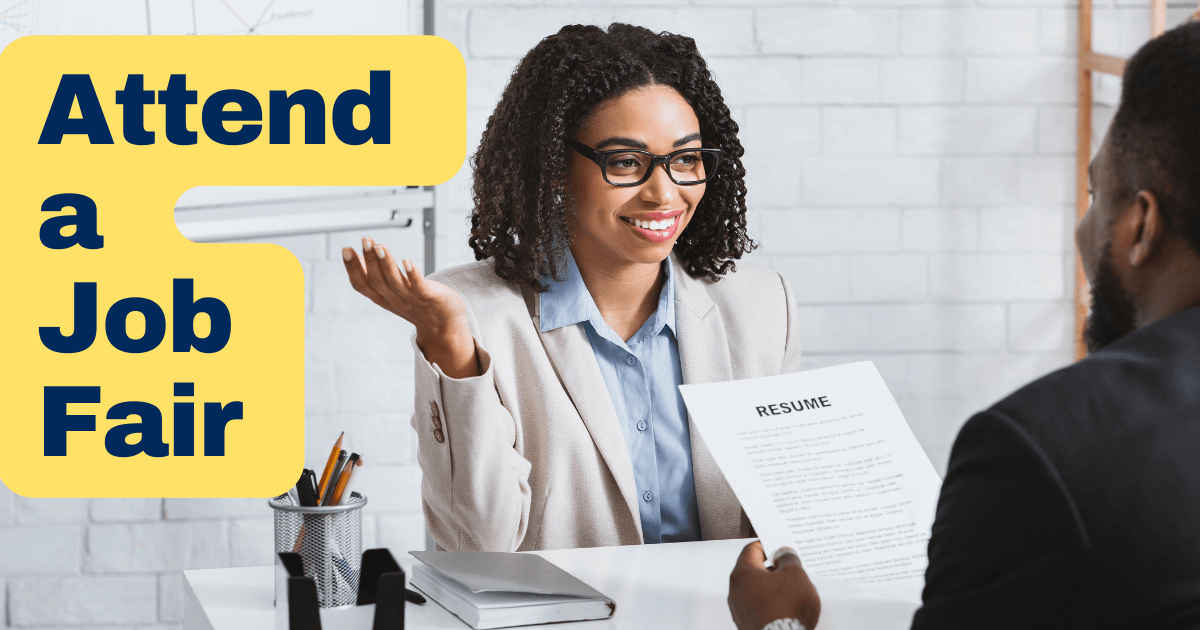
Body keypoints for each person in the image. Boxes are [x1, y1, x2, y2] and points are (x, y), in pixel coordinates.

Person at [727, 20, 1200, 630]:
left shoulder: (1036, 453)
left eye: (1094, 197)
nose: (1083, 230)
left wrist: (780, 623)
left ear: (1140, 226)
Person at [342, 23, 802, 551]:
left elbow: (785, 523)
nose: (664, 192)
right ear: (555, 168)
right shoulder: (474, 315)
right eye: (626, 162)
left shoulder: (763, 306)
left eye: (686, 159)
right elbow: (480, 546)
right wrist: (450, 346)